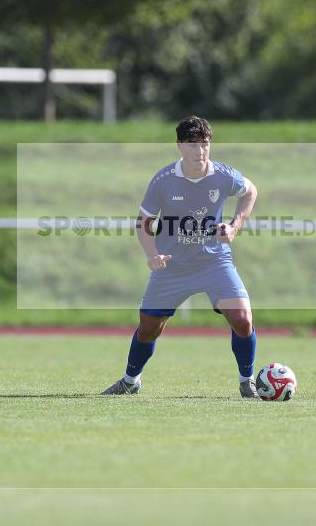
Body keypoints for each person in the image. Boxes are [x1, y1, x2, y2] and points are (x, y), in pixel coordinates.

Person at [102, 115, 260, 398]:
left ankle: (247, 381)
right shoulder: (164, 180)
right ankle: (130, 380)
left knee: (242, 319)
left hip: (215, 262)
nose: (199, 152)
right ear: (179, 145)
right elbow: (143, 223)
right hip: (172, 266)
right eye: (192, 145)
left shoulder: (224, 175)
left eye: (204, 144)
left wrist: (235, 226)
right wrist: (152, 256)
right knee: (149, 328)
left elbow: (251, 191)